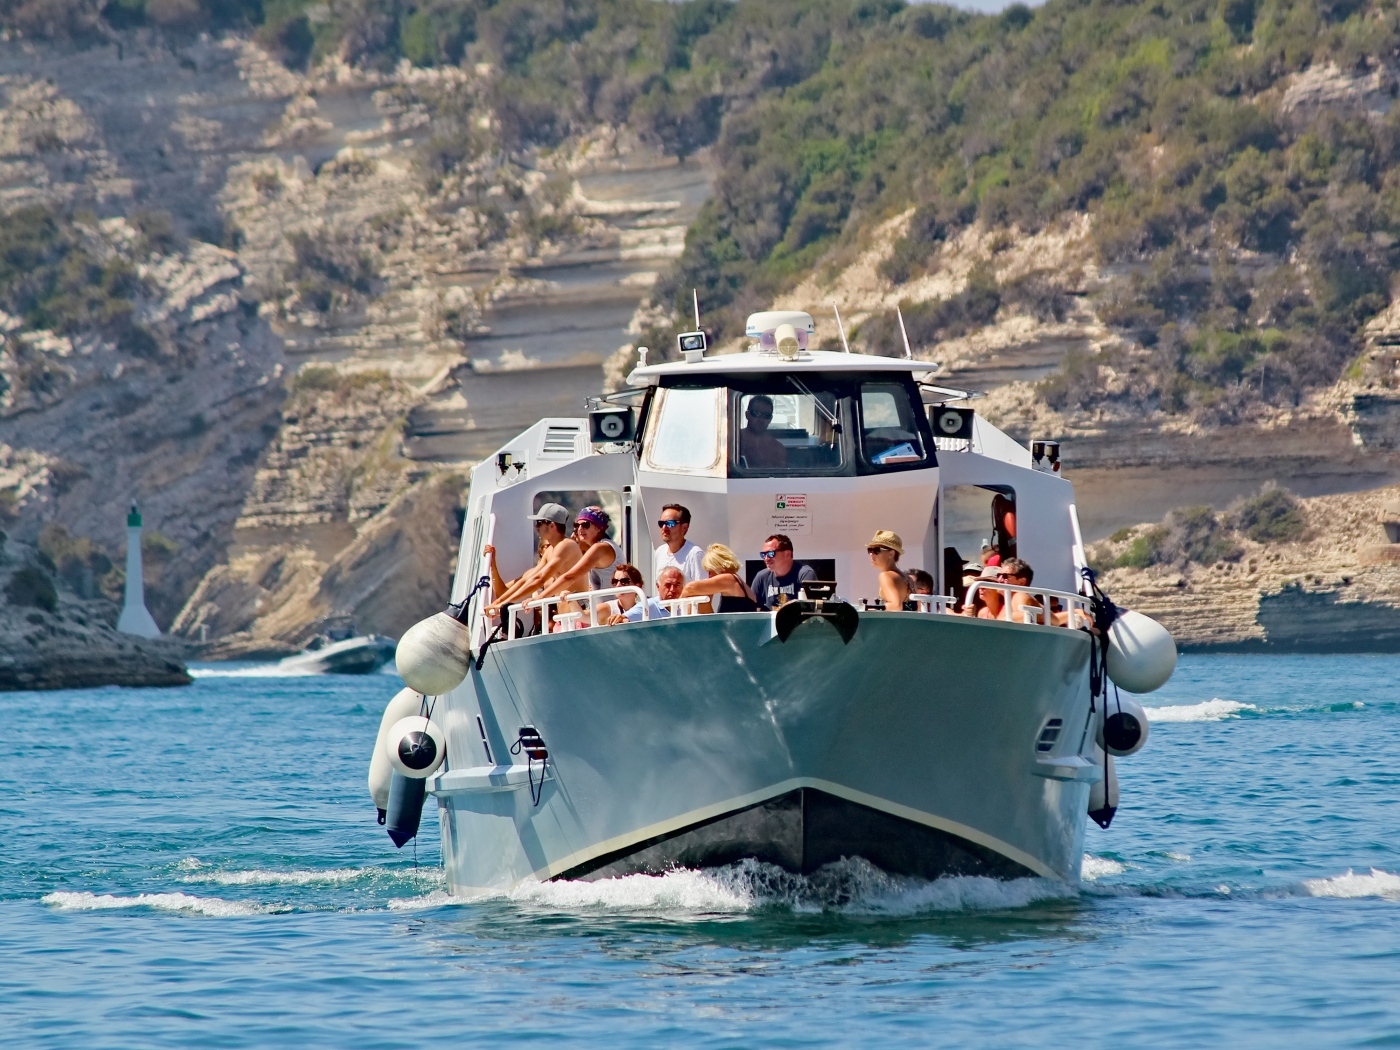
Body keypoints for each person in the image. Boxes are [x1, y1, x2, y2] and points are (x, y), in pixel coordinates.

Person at [487, 503, 581, 616]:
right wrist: (499, 602)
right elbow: (528, 579)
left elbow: (540, 579)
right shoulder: (551, 550)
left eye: (539, 523)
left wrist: (503, 603)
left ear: (552, 526)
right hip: (566, 617)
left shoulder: (566, 545)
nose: (536, 527)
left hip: (578, 613)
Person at [539, 506, 618, 601]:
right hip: (601, 608)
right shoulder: (602, 546)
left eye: (585, 525)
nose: (580, 529)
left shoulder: (600, 548)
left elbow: (570, 577)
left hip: (608, 611)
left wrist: (539, 598)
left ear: (598, 528)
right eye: (577, 525)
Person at [682, 543, 759, 612]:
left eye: (710, 571)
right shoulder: (737, 581)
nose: (709, 576)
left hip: (736, 627)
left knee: (696, 596)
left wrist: (677, 604)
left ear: (717, 566)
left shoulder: (729, 579)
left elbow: (690, 588)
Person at [751, 534, 817, 609]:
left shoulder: (805, 575)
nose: (766, 559)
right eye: (763, 554)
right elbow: (752, 610)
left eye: (771, 553)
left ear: (788, 554)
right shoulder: (761, 577)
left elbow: (811, 611)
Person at [609, 566, 683, 624]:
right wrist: (620, 618)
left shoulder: (688, 605)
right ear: (658, 586)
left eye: (677, 585)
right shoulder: (649, 606)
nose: (672, 589)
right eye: (668, 585)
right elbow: (624, 618)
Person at [653, 503, 705, 584]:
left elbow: (704, 591)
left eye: (670, 523)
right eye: (661, 523)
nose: (664, 528)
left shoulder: (695, 554)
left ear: (684, 527)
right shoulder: (659, 552)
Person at [739, 394, 787, 469]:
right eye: (756, 413)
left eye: (766, 415)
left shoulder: (778, 449)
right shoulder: (734, 441)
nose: (761, 419)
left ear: (770, 419)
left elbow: (781, 477)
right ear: (747, 415)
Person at [866, 530, 910, 610]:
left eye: (876, 550)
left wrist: (871, 609)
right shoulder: (905, 577)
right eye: (870, 550)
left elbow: (896, 605)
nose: (871, 554)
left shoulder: (885, 576)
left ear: (891, 554)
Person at [1000, 557, 1043, 624]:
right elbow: (1055, 619)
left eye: (1005, 576)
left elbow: (1023, 615)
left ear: (1022, 582)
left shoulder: (1020, 595)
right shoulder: (1007, 603)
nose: (999, 580)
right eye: (998, 575)